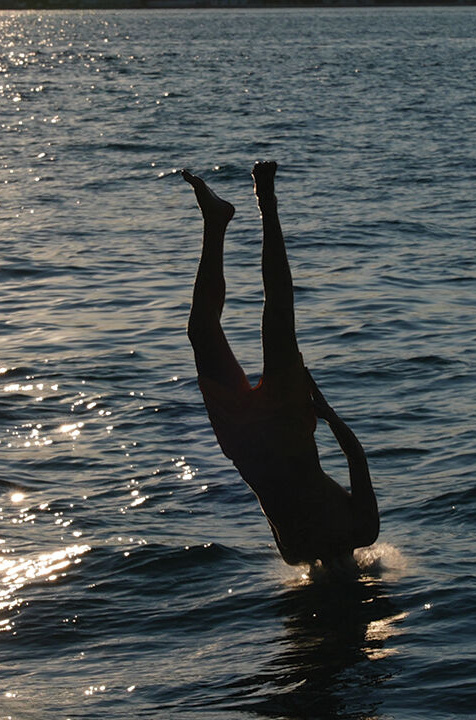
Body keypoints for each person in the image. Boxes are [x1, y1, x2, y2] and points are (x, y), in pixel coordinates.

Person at [182, 161, 378, 575]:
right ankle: (266, 202)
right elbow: (356, 458)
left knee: (203, 329)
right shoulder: (361, 531)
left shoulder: (298, 553)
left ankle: (217, 221)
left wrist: (327, 415)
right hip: (286, 426)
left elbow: (350, 458)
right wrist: (326, 413)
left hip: (243, 439)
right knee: (277, 313)